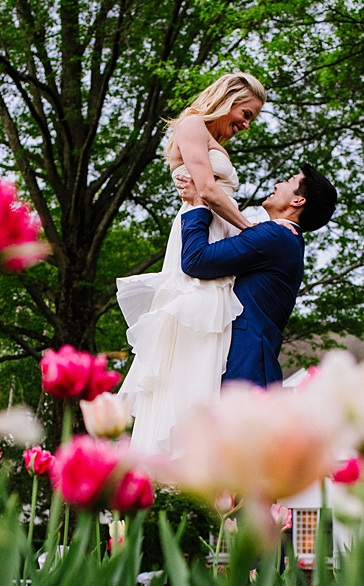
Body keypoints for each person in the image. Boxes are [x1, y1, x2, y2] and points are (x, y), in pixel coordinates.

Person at [116, 72, 267, 456]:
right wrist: (253, 233)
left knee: (212, 337)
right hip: (197, 232)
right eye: (245, 113)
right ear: (227, 98)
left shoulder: (211, 137)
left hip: (217, 235)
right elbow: (207, 187)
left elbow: (212, 190)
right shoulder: (192, 125)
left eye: (251, 119)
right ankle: (172, 448)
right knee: (190, 330)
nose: (246, 125)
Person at [176, 163, 337, 386]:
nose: (277, 184)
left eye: (288, 181)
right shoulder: (283, 238)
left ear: (298, 201)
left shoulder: (276, 236)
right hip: (248, 366)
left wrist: (198, 205)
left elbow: (196, 260)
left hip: (244, 370)